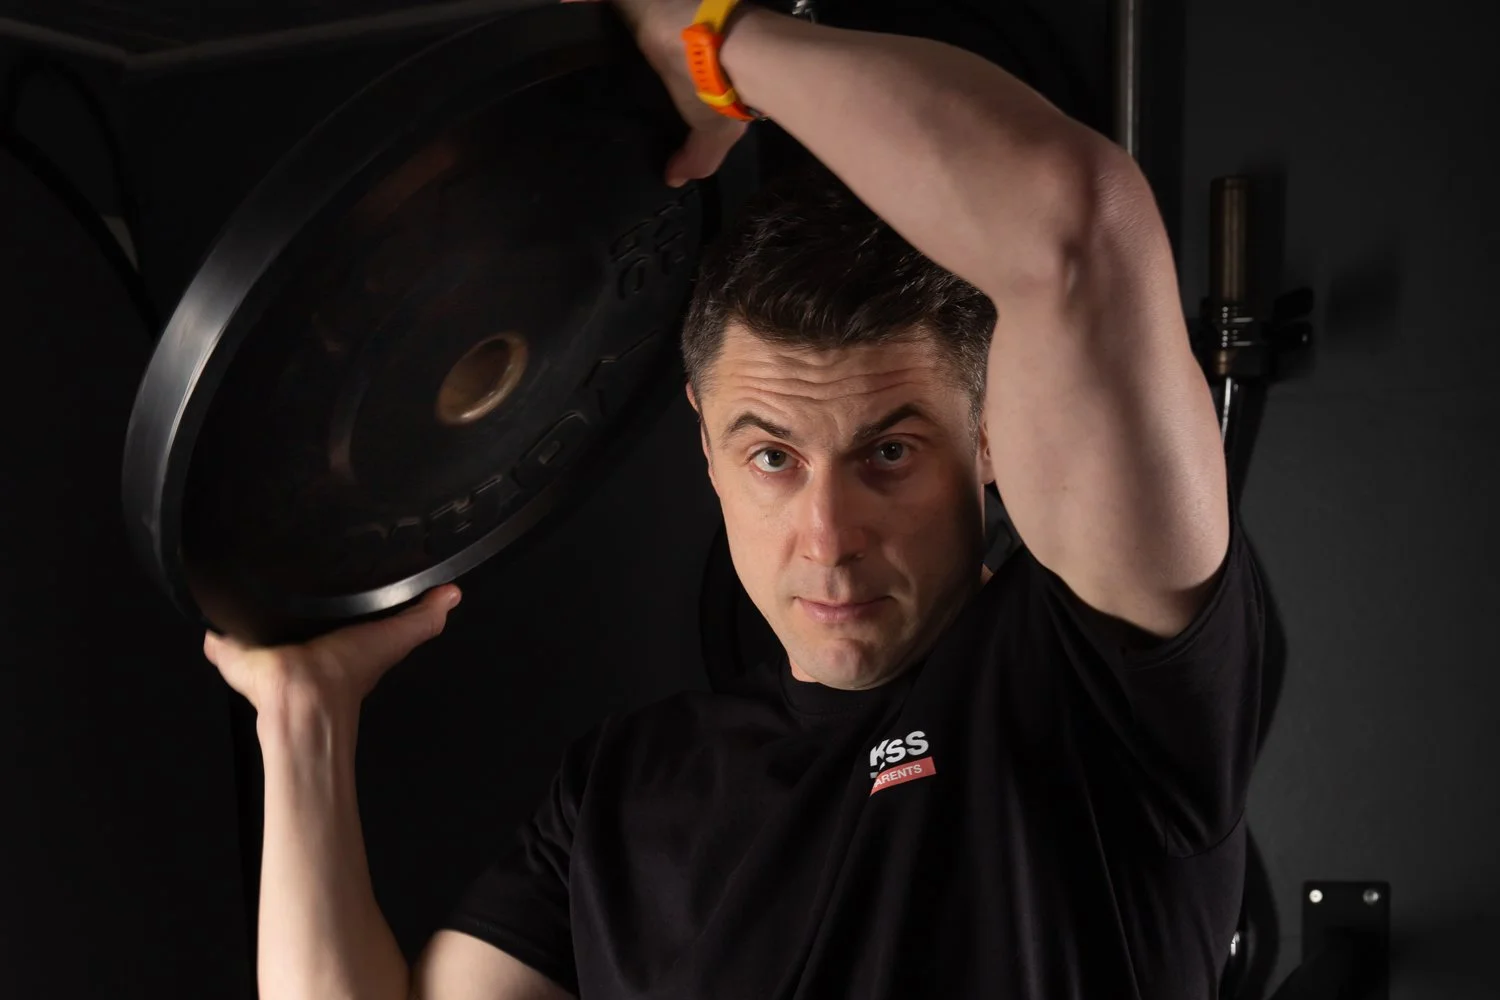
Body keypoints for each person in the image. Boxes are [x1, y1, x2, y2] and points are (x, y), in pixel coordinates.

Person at [202, 0, 1266, 997]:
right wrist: (306, 722)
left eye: (888, 453)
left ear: (985, 440)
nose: (830, 537)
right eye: (773, 458)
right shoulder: (623, 792)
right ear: (705, 444)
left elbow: (1076, 216)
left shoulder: (1099, 686)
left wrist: (714, 45)